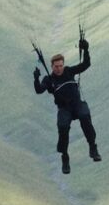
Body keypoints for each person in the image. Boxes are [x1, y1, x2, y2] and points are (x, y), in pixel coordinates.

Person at [33, 32, 101, 174]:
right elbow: (39, 90)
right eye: (56, 66)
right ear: (51, 66)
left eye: (60, 66)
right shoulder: (49, 79)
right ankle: (65, 157)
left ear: (63, 65)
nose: (59, 68)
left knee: (84, 116)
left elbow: (86, 64)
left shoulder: (69, 71)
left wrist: (86, 49)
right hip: (64, 108)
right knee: (63, 127)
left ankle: (93, 147)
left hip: (77, 104)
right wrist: (36, 79)